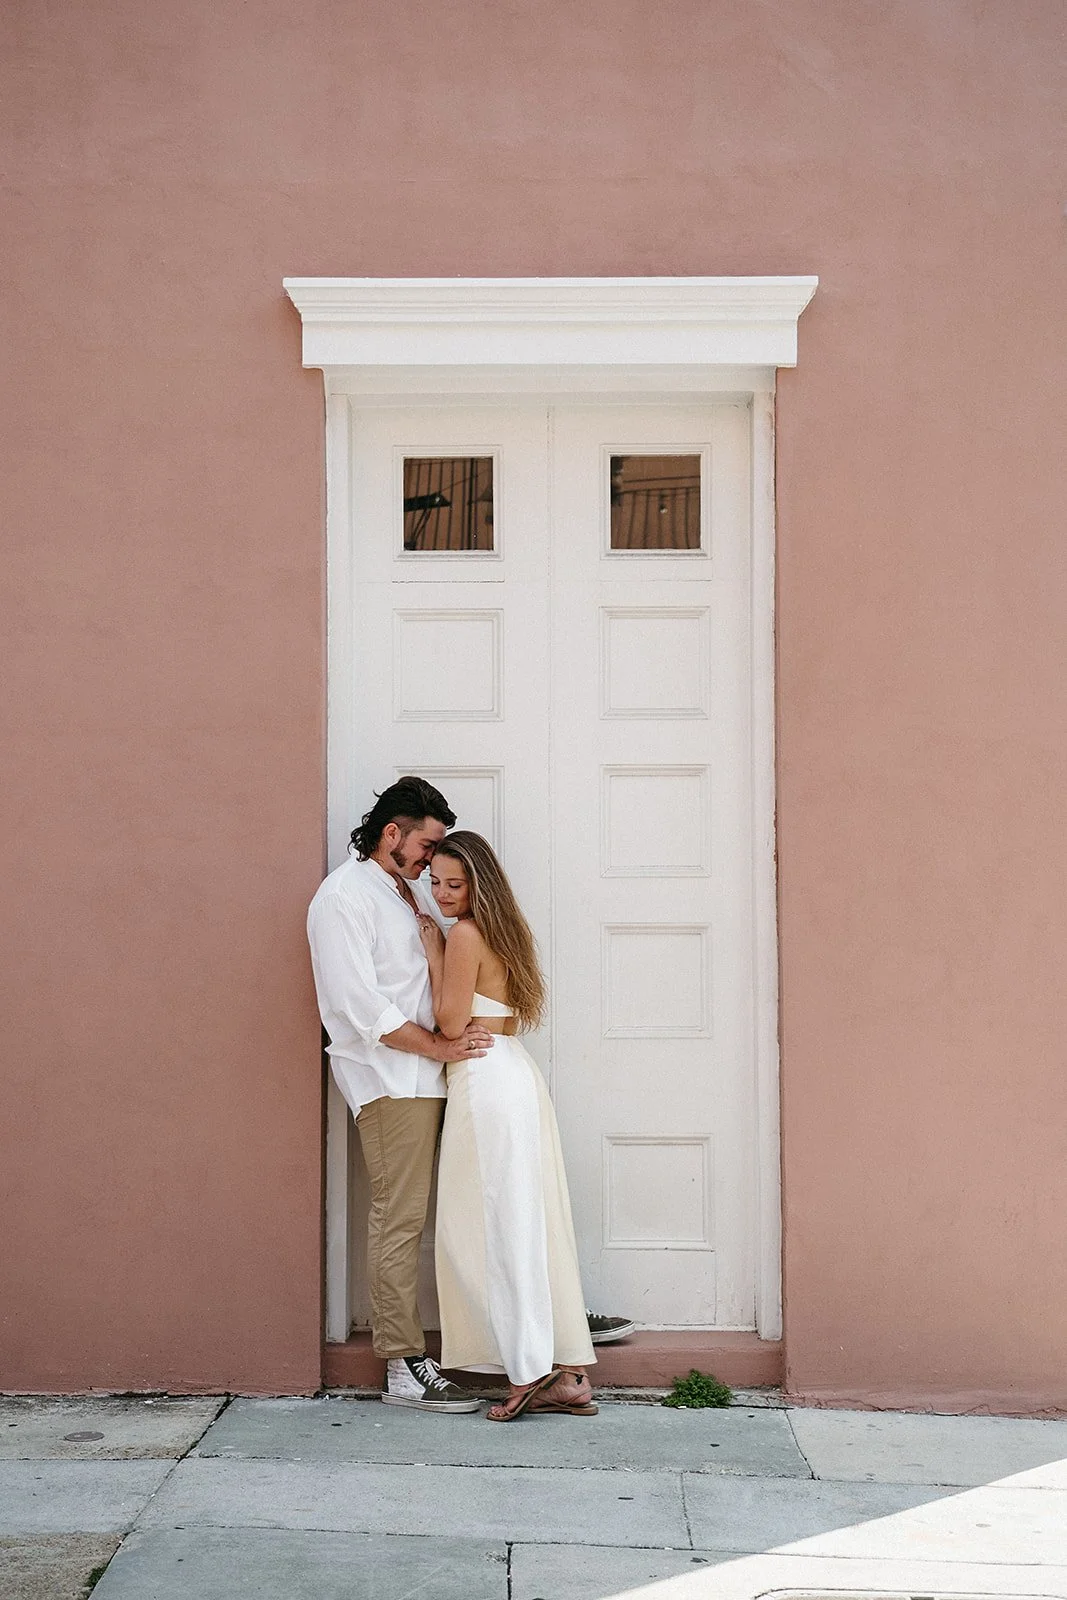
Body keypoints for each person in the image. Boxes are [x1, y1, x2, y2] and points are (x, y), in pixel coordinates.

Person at [307, 777, 495, 1412]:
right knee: (401, 1216)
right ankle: (402, 1366)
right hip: (391, 1083)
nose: (432, 859)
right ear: (393, 833)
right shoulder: (342, 899)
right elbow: (360, 1008)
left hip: (433, 1079)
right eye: (427, 843)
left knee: (453, 1212)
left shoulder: (402, 893)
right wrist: (440, 1048)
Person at [418, 831, 599, 1421]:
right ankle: (561, 1372)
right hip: (514, 1072)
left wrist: (433, 952)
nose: (443, 895)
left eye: (455, 884)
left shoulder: (466, 935)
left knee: (497, 1224)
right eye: (436, 882)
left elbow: (449, 1022)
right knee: (529, 1219)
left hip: (487, 1079)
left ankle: (529, 1373)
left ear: (478, 884)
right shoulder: (505, 931)